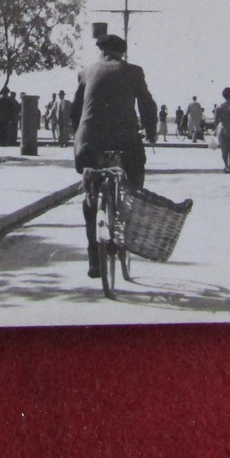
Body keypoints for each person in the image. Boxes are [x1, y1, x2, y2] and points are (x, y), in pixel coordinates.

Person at [70, 33, 158, 279]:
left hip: (89, 142)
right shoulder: (134, 71)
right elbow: (147, 105)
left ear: (101, 51)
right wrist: (151, 132)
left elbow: (75, 110)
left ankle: (93, 260)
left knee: (90, 190)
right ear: (122, 53)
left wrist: (77, 137)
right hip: (124, 139)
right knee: (134, 177)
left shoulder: (86, 71)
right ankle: (124, 229)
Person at [213, 87, 230, 172]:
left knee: (224, 149)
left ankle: (226, 166)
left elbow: (215, 121)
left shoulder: (219, 107)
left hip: (223, 129)